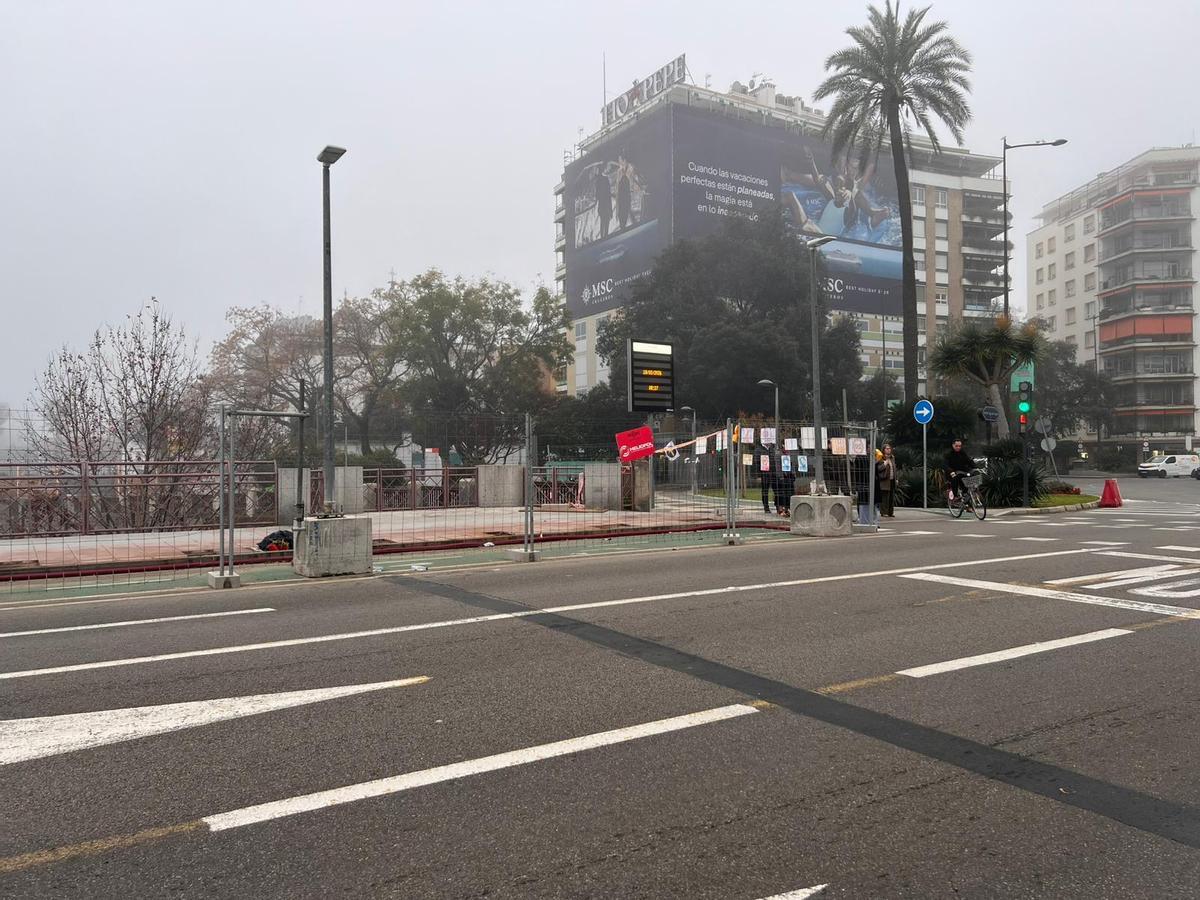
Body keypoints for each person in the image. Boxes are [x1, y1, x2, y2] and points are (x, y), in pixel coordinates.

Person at [593, 164, 613, 239]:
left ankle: (603, 238)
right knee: (605, 222)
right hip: (605, 205)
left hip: (604, 205)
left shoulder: (599, 180)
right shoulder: (603, 179)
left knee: (604, 222)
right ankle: (604, 237)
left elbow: (598, 195)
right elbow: (607, 194)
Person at [876, 444, 897, 518]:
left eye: (889, 448)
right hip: (884, 480)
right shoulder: (881, 458)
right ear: (883, 450)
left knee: (891, 497)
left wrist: (896, 478)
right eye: (887, 449)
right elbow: (878, 469)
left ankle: (890, 512)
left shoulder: (892, 457)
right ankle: (884, 512)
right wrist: (884, 464)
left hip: (892, 480)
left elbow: (894, 469)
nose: (888, 450)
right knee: (885, 497)